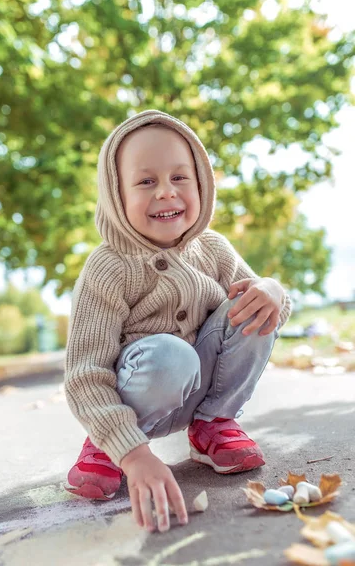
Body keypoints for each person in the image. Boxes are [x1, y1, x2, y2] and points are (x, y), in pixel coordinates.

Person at [64, 110, 291, 533]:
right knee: (170, 354)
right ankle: (106, 445)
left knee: (252, 303)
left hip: (202, 388)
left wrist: (274, 290)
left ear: (201, 183)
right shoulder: (108, 268)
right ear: (116, 195)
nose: (166, 192)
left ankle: (214, 424)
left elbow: (273, 311)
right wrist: (133, 455)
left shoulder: (214, 250)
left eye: (180, 178)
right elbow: (85, 373)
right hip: (136, 398)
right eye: (146, 181)